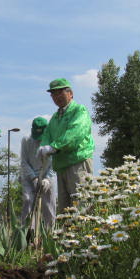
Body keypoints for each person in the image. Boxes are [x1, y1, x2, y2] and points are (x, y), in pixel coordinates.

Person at [38, 78, 94, 212]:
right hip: (61, 166)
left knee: (81, 204)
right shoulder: (55, 118)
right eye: (53, 94)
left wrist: (54, 146)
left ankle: (85, 231)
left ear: (70, 93)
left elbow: (76, 132)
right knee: (65, 208)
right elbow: (47, 135)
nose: (57, 97)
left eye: (60, 93)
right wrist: (42, 148)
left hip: (78, 162)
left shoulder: (79, 111)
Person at [20, 117, 56, 229]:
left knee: (48, 205)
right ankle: (28, 233)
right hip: (29, 176)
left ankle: (50, 233)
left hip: (47, 176)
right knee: (28, 200)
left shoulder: (53, 142)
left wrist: (47, 179)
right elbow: (24, 162)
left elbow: (55, 163)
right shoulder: (26, 141)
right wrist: (33, 178)